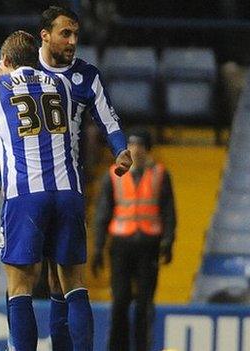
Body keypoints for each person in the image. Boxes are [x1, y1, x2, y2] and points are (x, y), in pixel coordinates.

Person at [0, 29, 128, 351]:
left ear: (6, 60)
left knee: (20, 285)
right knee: (73, 285)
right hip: (67, 191)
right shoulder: (62, 84)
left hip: (25, 194)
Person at [37, 6, 132, 349]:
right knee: (47, 280)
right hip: (26, 189)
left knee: (65, 278)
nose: (73, 41)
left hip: (66, 187)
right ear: (44, 34)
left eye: (76, 34)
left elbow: (109, 120)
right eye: (66, 34)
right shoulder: (22, 71)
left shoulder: (86, 75)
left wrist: (119, 149)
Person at [92, 128, 176, 351]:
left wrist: (168, 241)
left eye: (139, 145)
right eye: (131, 144)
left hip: (149, 244)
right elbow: (103, 213)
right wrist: (98, 247)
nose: (135, 149)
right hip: (121, 245)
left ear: (147, 149)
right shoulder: (113, 175)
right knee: (119, 301)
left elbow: (168, 211)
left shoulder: (160, 173)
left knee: (144, 305)